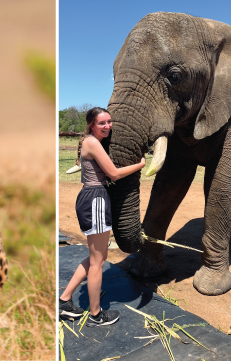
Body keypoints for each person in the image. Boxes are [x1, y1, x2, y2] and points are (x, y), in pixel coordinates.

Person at [58, 107, 145, 327]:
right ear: (91, 125)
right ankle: (96, 315)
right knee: (97, 262)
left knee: (96, 257)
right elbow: (114, 173)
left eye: (109, 122)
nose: (107, 126)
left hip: (96, 197)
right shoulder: (92, 143)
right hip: (95, 198)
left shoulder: (92, 141)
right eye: (101, 123)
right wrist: (141, 165)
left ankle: (64, 301)